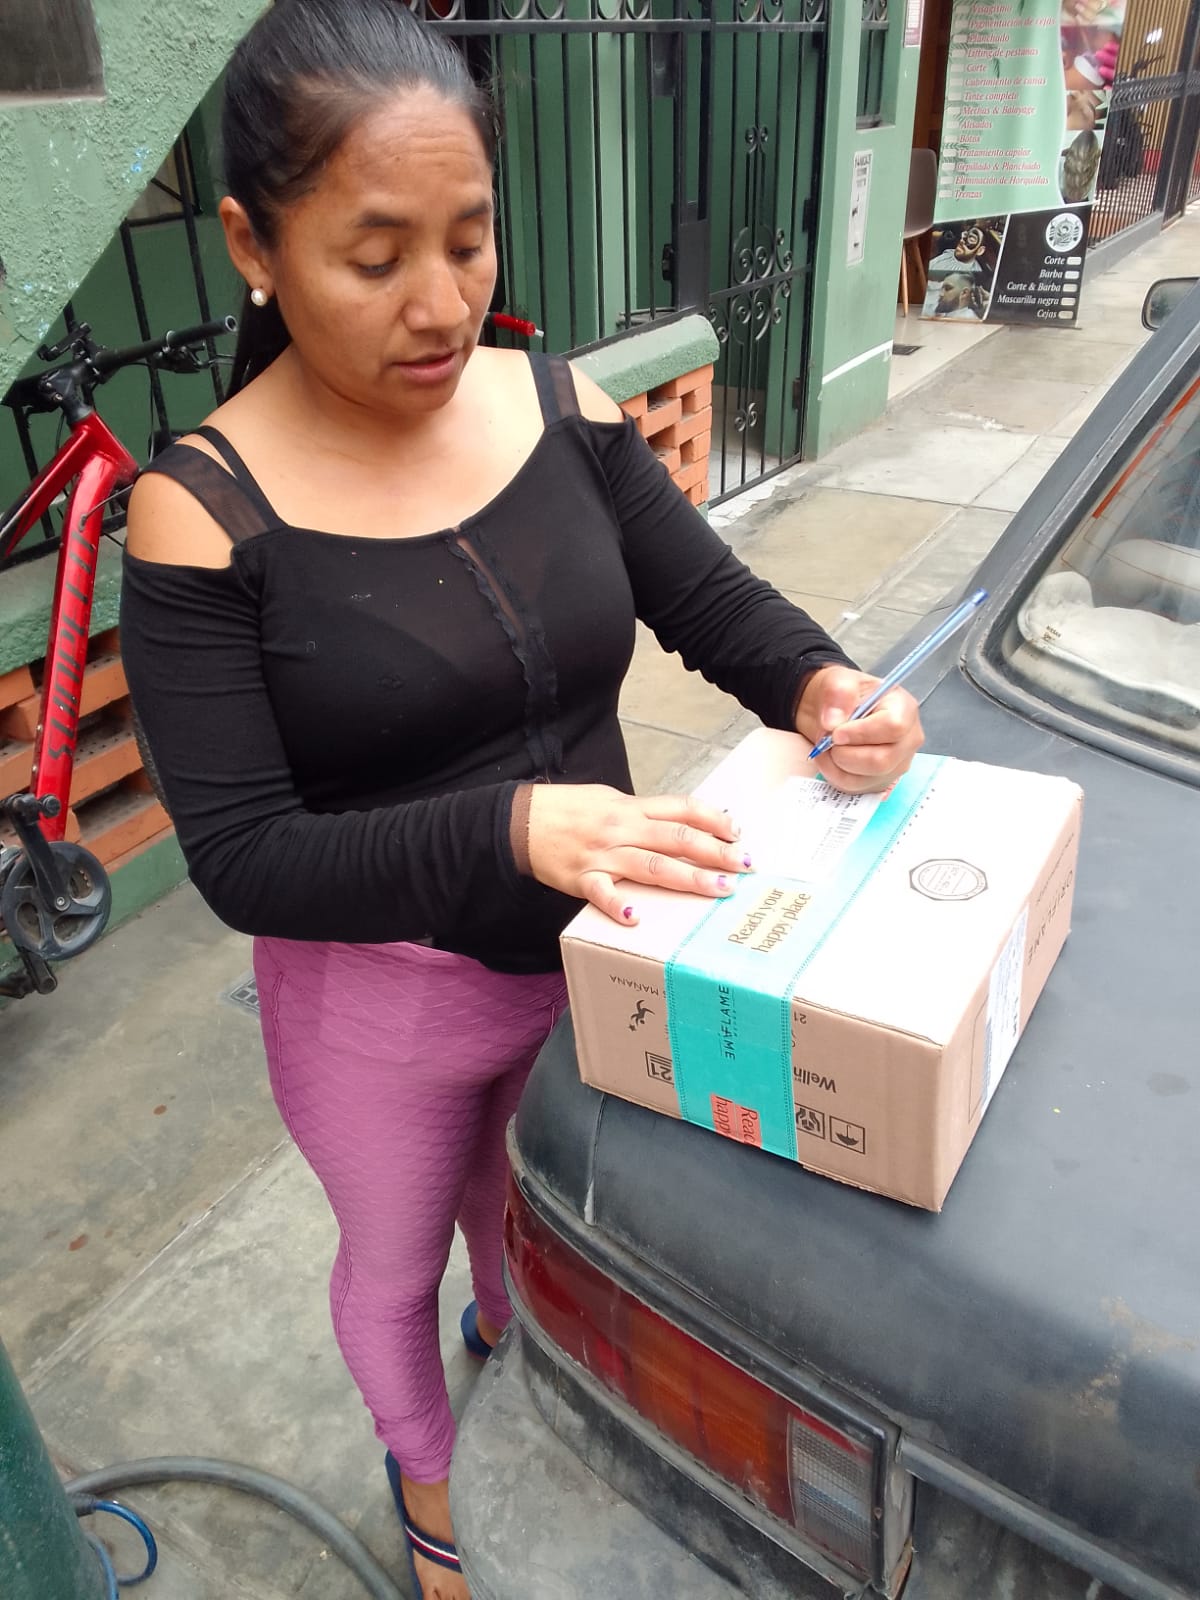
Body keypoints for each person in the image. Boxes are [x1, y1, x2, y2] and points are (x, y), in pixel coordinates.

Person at [120, 2, 923, 1595]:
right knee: (396, 1260)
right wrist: (508, 828)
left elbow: (714, 605)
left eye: (469, 240)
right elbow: (247, 859)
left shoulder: (559, 403)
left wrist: (828, 689)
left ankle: (532, 1368)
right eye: (374, 258)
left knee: (538, 1215)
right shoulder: (200, 513)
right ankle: (432, 1493)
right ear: (252, 246)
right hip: (383, 1007)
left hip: (590, 961)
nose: (440, 304)